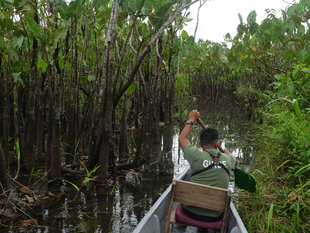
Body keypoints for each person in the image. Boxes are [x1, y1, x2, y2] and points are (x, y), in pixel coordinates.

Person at [179, 109, 237, 222]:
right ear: (216, 144)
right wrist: (225, 151)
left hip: (190, 212)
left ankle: (183, 225)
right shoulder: (228, 159)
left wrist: (191, 119)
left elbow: (182, 138)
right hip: (215, 216)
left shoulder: (195, 156)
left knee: (188, 177)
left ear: (200, 144)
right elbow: (235, 160)